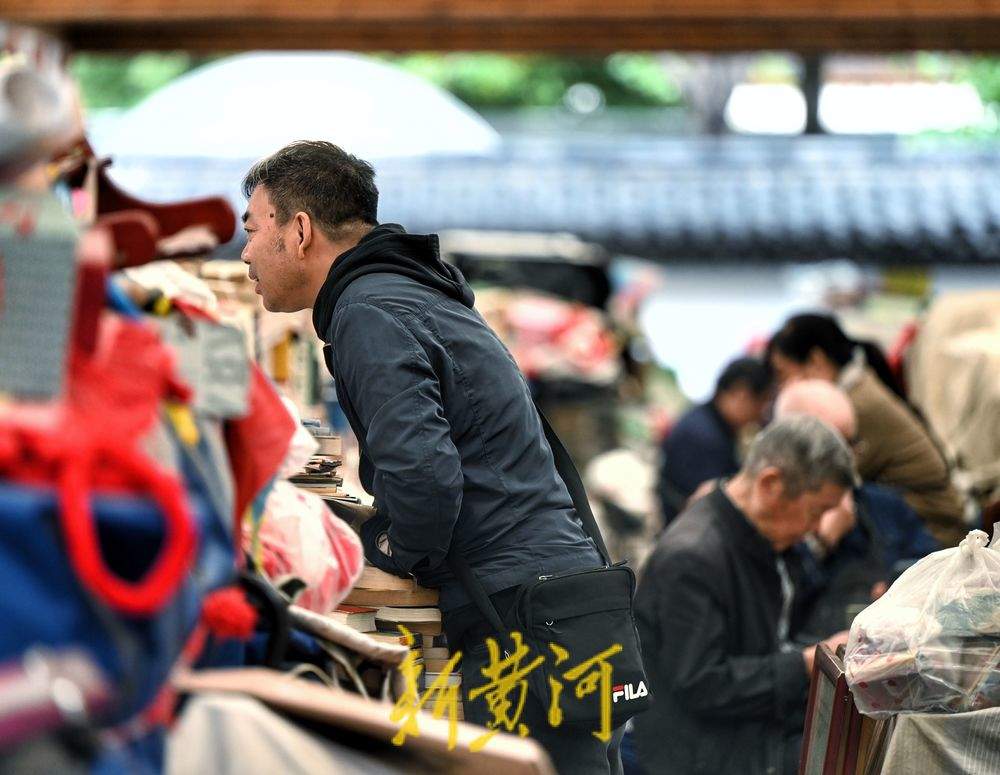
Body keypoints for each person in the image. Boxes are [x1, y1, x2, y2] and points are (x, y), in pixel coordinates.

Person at [240, 141, 622, 773]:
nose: (247, 251)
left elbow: (424, 482)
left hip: (518, 611)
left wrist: (387, 555)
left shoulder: (370, 312)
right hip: (550, 595)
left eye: (253, 229)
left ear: (300, 230)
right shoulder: (407, 292)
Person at [633, 416, 855, 775]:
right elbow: (702, 684)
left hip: (747, 731)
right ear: (771, 484)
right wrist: (803, 664)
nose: (817, 528)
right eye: (816, 512)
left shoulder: (758, 536)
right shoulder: (693, 557)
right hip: (700, 753)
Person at [766, 313, 967, 546]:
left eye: (782, 374)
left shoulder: (851, 406)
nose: (783, 387)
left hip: (931, 532)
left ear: (816, 361)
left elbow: (821, 482)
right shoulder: (858, 388)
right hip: (916, 521)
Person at [773, 380, 939, 638]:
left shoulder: (884, 505)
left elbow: (934, 567)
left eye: (851, 443)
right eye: (834, 446)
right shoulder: (770, 523)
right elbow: (776, 622)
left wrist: (904, 589)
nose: (847, 458)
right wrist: (819, 544)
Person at [657, 357, 772, 527]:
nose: (761, 414)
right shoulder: (703, 436)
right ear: (741, 394)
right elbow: (713, 505)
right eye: (761, 403)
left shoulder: (710, 422)